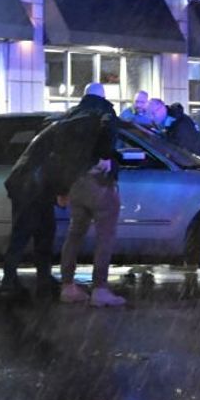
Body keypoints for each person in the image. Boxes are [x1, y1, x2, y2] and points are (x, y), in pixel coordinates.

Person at [58, 82, 126, 308]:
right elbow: (108, 135)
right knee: (105, 236)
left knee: (74, 234)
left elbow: (61, 151)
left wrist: (62, 188)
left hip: (75, 182)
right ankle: (100, 289)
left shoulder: (71, 115)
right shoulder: (105, 111)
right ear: (103, 96)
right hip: (97, 180)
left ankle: (68, 286)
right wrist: (106, 157)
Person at [0, 116, 60, 299]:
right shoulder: (54, 142)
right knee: (38, 235)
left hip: (26, 189)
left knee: (24, 236)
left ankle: (13, 279)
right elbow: (54, 170)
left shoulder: (41, 140)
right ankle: (18, 281)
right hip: (32, 191)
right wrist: (61, 191)